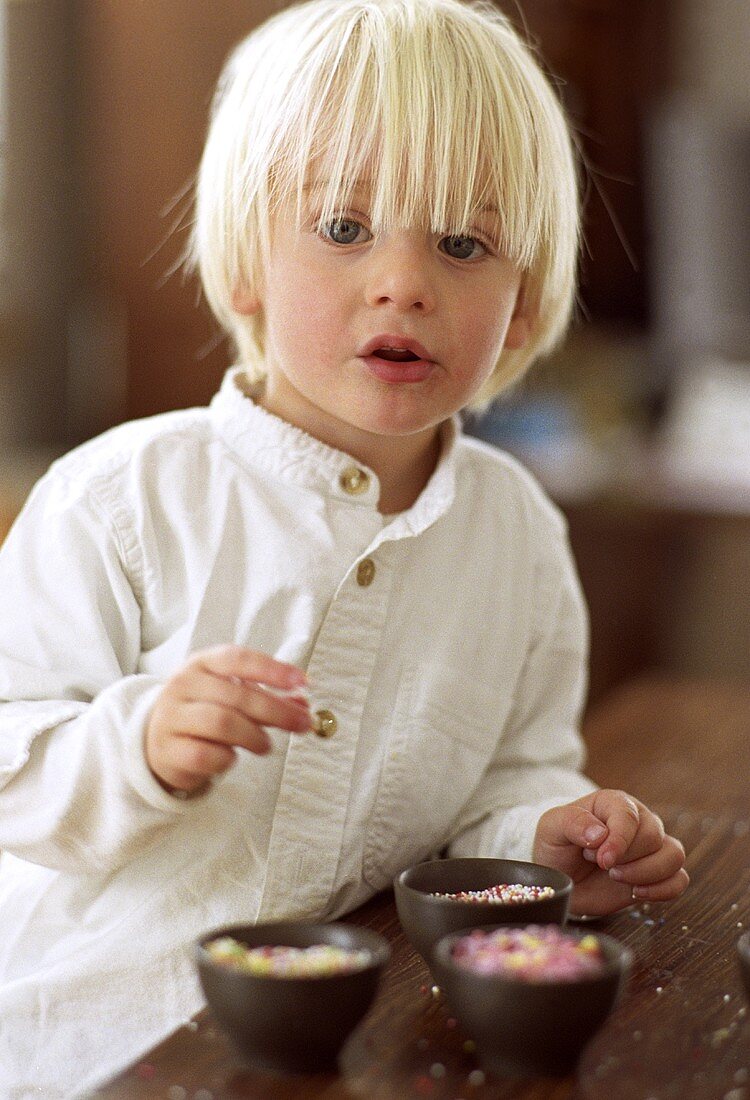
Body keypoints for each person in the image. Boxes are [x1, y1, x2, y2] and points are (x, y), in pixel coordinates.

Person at [0, 0, 688, 1095]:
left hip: (358, 1043)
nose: (404, 281)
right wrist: (137, 745)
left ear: (518, 309)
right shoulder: (117, 499)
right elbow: (11, 757)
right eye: (343, 228)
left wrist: (550, 833)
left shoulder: (516, 534)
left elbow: (510, 776)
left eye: (464, 243)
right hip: (94, 1043)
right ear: (247, 270)